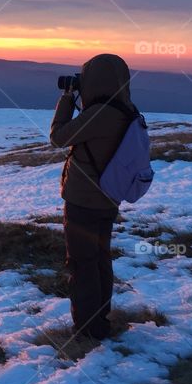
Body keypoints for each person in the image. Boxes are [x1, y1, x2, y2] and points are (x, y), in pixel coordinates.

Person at [49, 53, 135, 340]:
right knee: (99, 259)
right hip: (107, 200)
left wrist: (66, 98)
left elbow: (59, 136)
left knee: (82, 264)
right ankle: (99, 320)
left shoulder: (101, 114)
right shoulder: (126, 109)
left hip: (84, 201)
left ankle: (88, 329)